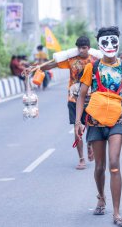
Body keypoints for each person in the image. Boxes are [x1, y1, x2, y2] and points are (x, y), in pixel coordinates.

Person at [75, 26, 122, 227]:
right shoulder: (92, 67)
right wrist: (78, 121)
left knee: (114, 164)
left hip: (116, 121)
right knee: (100, 167)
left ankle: (117, 213)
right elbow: (82, 95)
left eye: (113, 41)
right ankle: (101, 196)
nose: (110, 45)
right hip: (95, 121)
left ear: (119, 42)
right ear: (99, 44)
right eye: (105, 42)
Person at [28, 36, 97, 169]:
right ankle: (81, 159)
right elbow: (51, 65)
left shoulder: (95, 61)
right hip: (74, 99)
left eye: (84, 48)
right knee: (77, 129)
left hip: (91, 99)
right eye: (79, 48)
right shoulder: (71, 60)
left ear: (88, 48)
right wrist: (36, 68)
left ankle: (90, 143)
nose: (81, 50)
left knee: (92, 128)